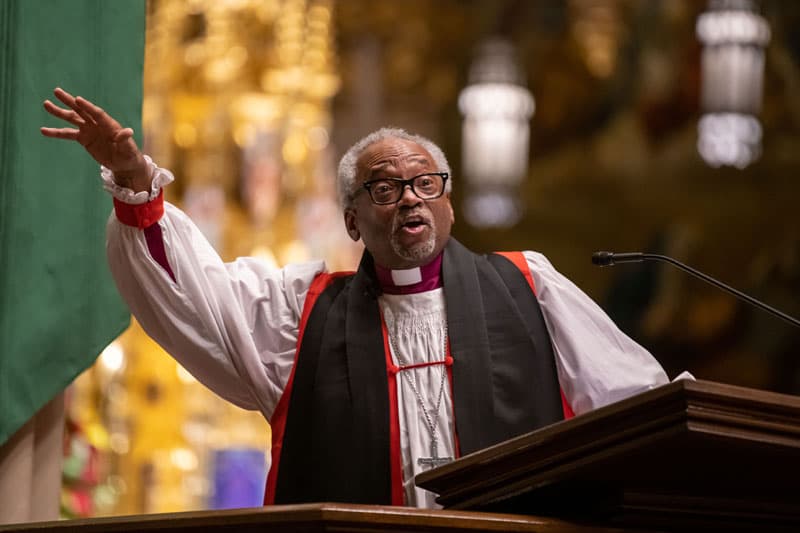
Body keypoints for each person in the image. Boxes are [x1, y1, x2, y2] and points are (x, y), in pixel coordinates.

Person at [41, 87, 669, 508]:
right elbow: (190, 293)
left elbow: (637, 406)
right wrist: (132, 180)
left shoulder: (530, 287)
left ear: (447, 202)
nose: (411, 197)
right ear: (351, 221)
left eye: (426, 182)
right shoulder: (303, 312)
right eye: (386, 188)